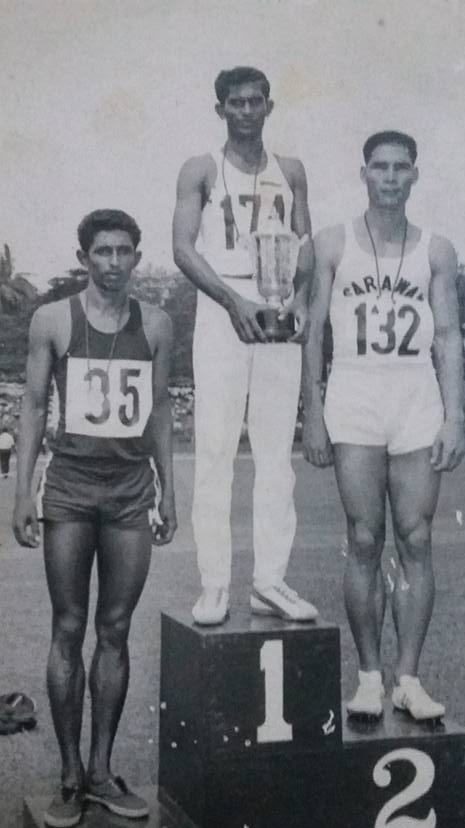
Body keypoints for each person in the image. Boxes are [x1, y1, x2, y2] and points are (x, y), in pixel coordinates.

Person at [13, 209, 177, 828]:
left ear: (137, 257)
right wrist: (22, 493)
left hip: (131, 491)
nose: (113, 262)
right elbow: (33, 406)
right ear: (84, 258)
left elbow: (158, 409)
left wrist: (169, 489)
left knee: (115, 628)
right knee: (68, 626)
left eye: (124, 251)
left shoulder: (156, 324)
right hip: (72, 489)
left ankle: (102, 771)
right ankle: (69, 775)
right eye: (102, 251)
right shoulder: (54, 320)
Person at [303, 131, 465, 721]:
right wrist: (312, 410)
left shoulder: (436, 249)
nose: (390, 177)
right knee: (365, 537)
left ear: (414, 175)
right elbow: (312, 332)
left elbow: (447, 335)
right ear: (363, 173)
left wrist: (456, 415)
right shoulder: (331, 243)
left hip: (415, 395)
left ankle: (409, 678)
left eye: (400, 168)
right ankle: (370, 676)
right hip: (354, 391)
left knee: (416, 538)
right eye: (380, 167)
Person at [173, 66, 318, 626]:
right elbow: (183, 248)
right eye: (236, 103)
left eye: (256, 101)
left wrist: (299, 299)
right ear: (221, 110)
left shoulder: (291, 170)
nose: (247, 111)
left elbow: (305, 248)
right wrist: (233, 301)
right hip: (223, 312)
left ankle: (269, 581)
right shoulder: (202, 169)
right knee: (215, 452)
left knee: (277, 454)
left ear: (269, 106)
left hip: (277, 313)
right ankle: (214, 584)